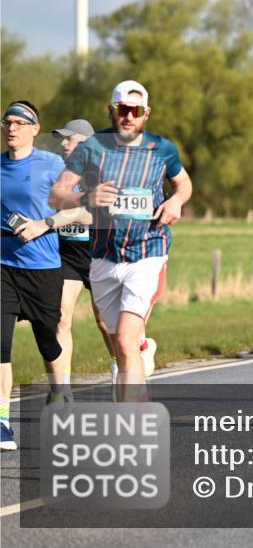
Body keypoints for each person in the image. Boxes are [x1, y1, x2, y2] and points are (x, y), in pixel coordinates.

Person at [49, 81, 192, 401]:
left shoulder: (162, 149)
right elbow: (57, 195)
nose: (129, 117)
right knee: (121, 340)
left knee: (125, 340)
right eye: (122, 110)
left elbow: (183, 184)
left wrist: (176, 202)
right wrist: (86, 196)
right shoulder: (92, 148)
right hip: (103, 257)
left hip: (147, 253)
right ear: (111, 111)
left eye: (136, 111)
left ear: (146, 113)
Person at [2, 101, 88, 450]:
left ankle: (59, 394)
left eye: (21, 123)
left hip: (42, 266)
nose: (12, 127)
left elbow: (83, 210)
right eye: (7, 121)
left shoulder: (52, 165)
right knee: (1, 345)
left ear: (35, 129)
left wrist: (43, 225)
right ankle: (2, 422)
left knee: (49, 341)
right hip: (4, 264)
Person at [50, 119, 135, 388]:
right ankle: (62, 390)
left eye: (69, 138)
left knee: (103, 319)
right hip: (68, 255)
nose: (63, 143)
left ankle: (117, 363)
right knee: (62, 318)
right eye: (61, 139)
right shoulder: (59, 174)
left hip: (99, 252)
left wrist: (63, 216)